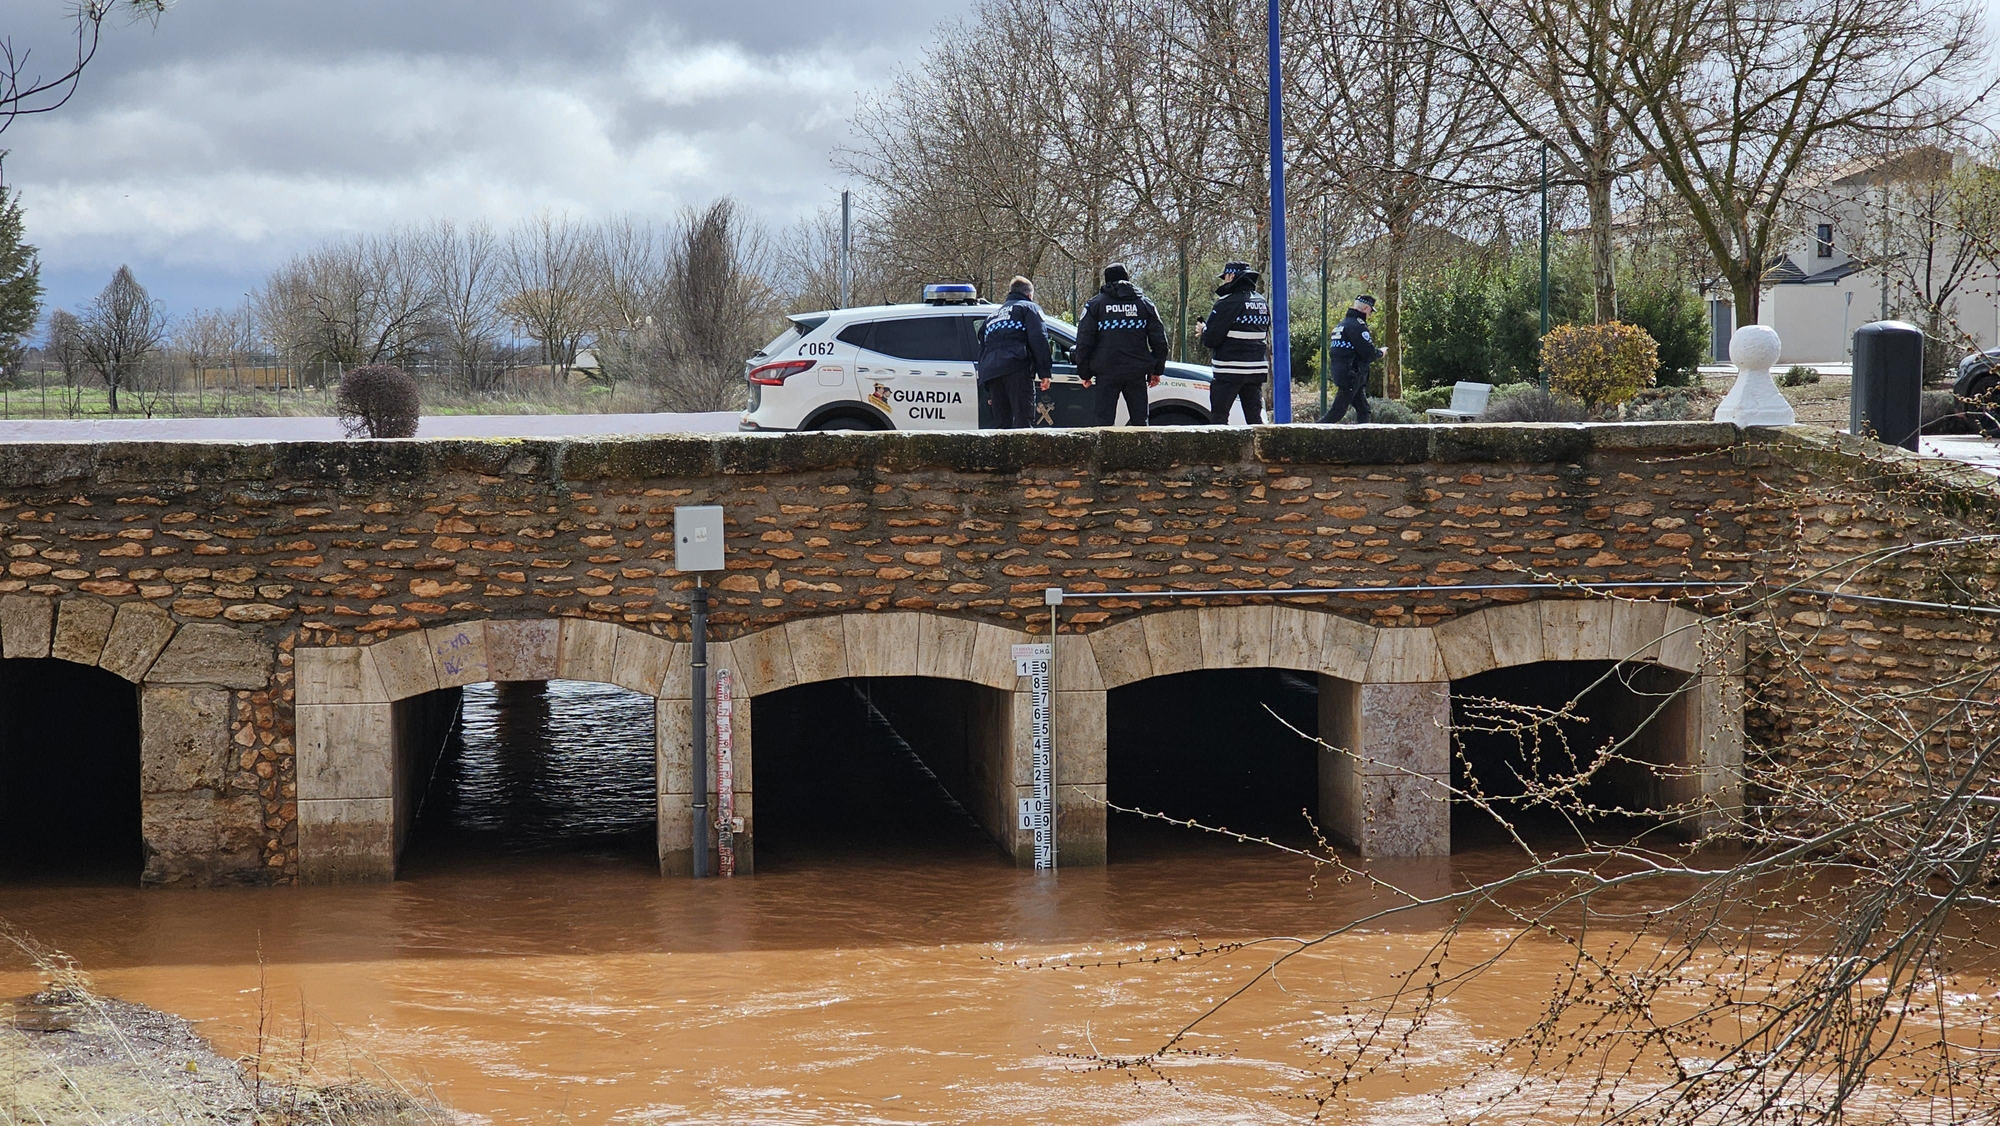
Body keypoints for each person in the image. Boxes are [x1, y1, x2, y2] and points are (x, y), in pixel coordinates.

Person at [1074, 263, 1170, 426]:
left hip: (1106, 372)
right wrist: (1156, 369)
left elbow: (1084, 341)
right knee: (1140, 422)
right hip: (1137, 372)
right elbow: (1160, 341)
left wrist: (1084, 372)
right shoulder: (1145, 304)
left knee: (1103, 423)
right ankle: (1142, 451)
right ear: (1127, 278)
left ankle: (1104, 451)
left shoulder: (1095, 305)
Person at [1198, 261, 1271, 424]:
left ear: (1231, 276)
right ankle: (1260, 449)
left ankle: (1221, 449)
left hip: (1229, 370)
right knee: (1254, 419)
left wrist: (1204, 330)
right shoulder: (1261, 301)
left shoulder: (1227, 302)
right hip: (1255, 370)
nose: (1224, 281)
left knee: (1219, 417)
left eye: (1225, 277)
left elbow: (1211, 339)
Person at [976, 276, 1053, 429]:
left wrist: (985, 382)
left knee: (1001, 424)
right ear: (1029, 295)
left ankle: (1001, 453)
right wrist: (1045, 372)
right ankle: (1022, 453)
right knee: (1023, 420)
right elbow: (1039, 338)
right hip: (1017, 368)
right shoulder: (1029, 308)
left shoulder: (992, 317)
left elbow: (983, 346)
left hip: (992, 373)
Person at [1319, 295, 1383, 424]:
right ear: (1366, 308)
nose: (1370, 314)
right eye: (1371, 310)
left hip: (1344, 373)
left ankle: (1365, 441)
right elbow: (1368, 353)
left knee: (1363, 410)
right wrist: (1380, 353)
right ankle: (1312, 434)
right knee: (1337, 411)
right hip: (1352, 375)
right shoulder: (1357, 326)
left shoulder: (1341, 325)